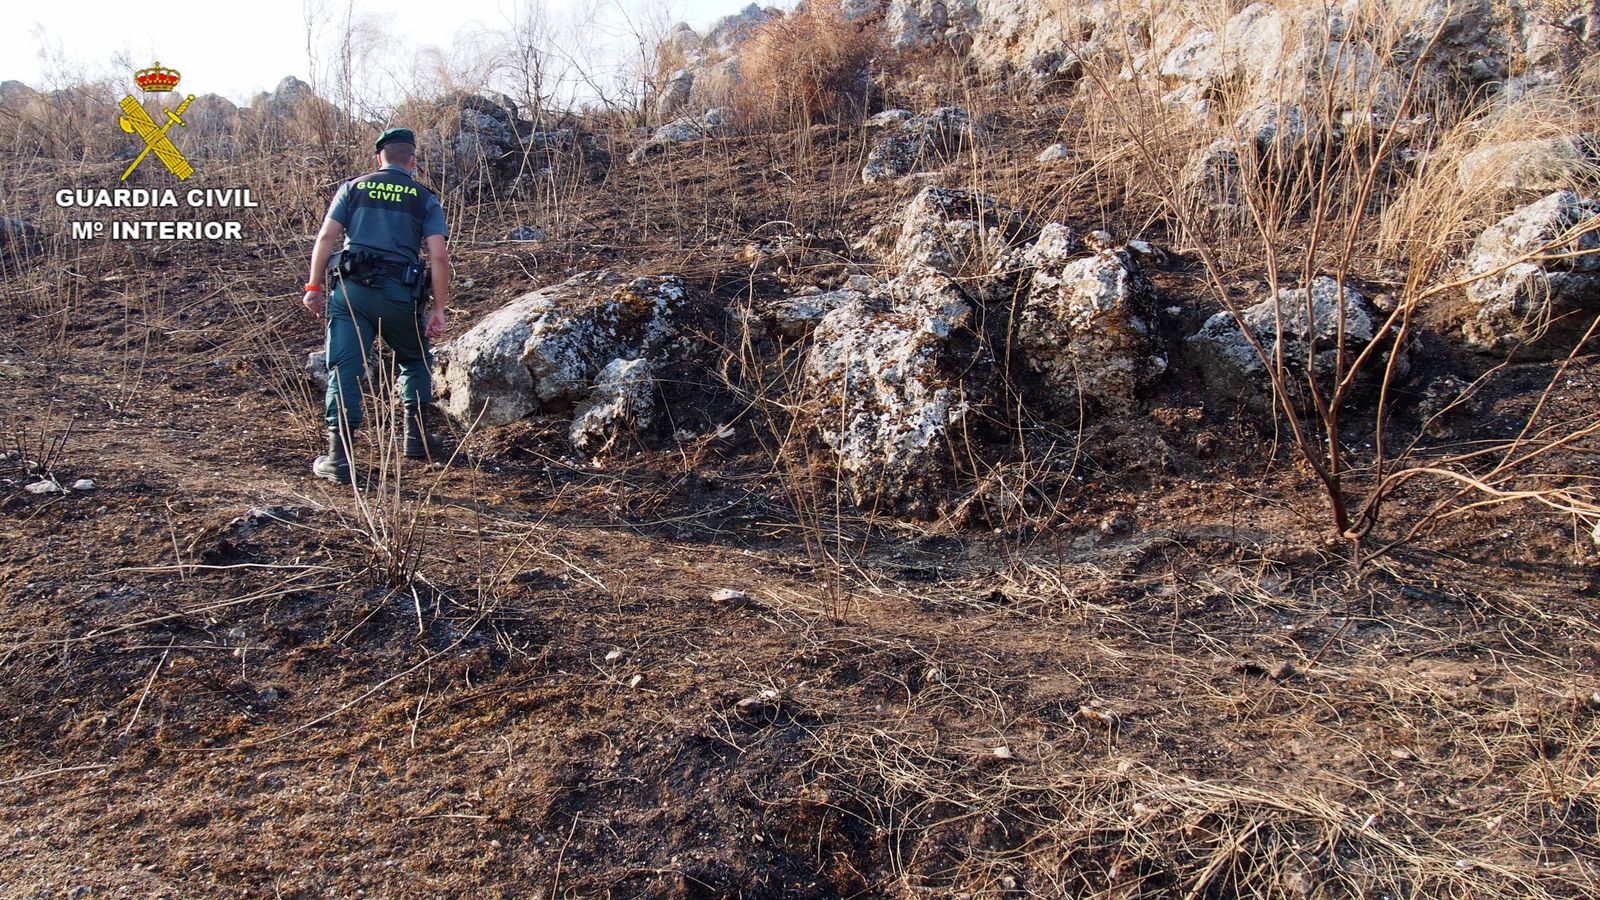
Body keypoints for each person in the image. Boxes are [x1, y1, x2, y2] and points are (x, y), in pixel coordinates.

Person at [301, 127, 451, 485]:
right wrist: (439, 309)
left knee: (345, 370)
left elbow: (326, 237)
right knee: (415, 360)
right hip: (401, 295)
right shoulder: (423, 197)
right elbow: (439, 257)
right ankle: (415, 439)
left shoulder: (352, 188)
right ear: (412, 160)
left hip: (351, 293)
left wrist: (314, 286)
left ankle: (340, 460)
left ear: (378, 158)